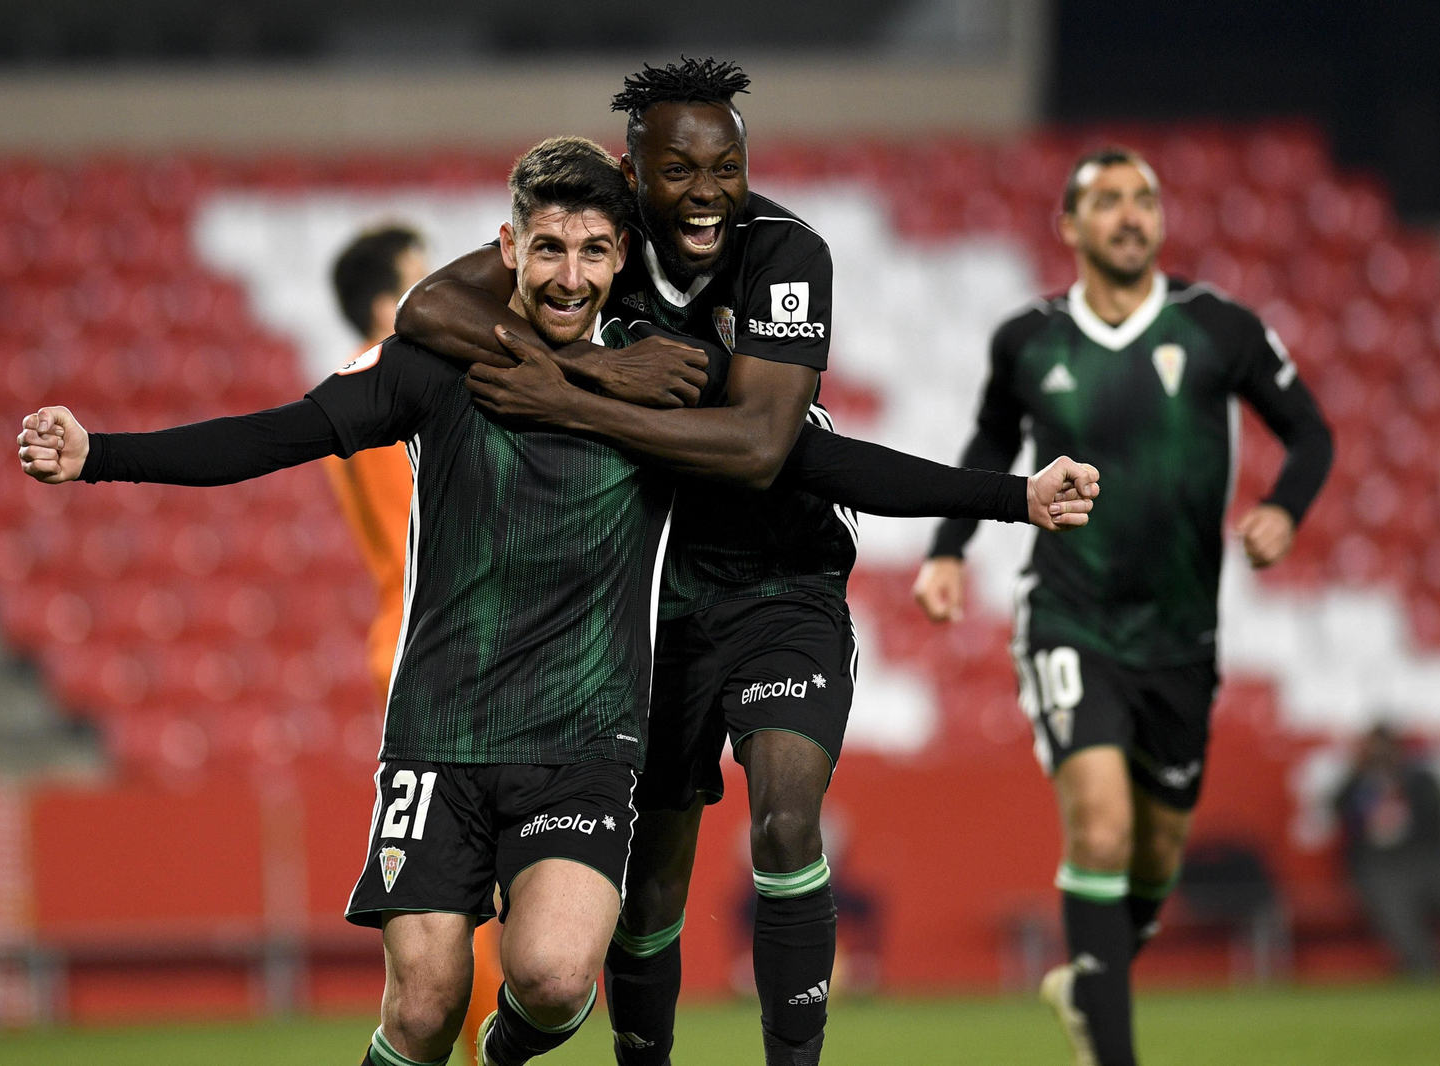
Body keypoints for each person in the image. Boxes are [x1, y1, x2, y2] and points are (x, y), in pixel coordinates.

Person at [20, 135, 1092, 1066]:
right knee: (427, 996)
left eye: (591, 249)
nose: (570, 273)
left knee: (551, 978)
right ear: (509, 249)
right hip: (440, 732)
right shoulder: (436, 368)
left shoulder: (669, 380)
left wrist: (1011, 498)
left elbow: (823, 462)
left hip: (583, 740)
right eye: (548, 248)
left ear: (618, 256)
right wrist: (100, 454)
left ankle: (514, 1050)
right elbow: (275, 434)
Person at [396, 57, 1097, 1066]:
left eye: (726, 166)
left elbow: (772, 449)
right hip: (648, 605)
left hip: (783, 582)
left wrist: (565, 398)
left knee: (781, 818)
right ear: (631, 170)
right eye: (679, 171)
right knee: (650, 885)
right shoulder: (596, 243)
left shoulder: (784, 253)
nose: (708, 191)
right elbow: (426, 311)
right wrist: (597, 363)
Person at [912, 147, 1334, 1066]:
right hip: (1070, 615)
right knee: (1099, 822)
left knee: (1155, 855)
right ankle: (1112, 1051)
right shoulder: (1027, 339)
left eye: (1145, 198)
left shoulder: (1218, 326)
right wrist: (949, 551)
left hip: (1184, 634)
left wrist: (1282, 510)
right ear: (1069, 225)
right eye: (1108, 201)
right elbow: (988, 440)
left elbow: (1310, 433)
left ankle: (1089, 980)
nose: (1131, 215)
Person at [327, 223, 501, 1064]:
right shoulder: (398, 383)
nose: (436, 291)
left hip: (403, 637)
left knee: (453, 886)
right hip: (444, 647)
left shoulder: (362, 386)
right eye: (417, 280)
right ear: (381, 302)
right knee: (473, 888)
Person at [1334, 724, 1440, 976]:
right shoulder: (1358, 783)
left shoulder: (1419, 778)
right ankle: (1424, 971)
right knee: (1401, 925)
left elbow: (1433, 821)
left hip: (1429, 859)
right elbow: (1339, 813)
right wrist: (1363, 779)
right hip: (1384, 867)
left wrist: (1397, 788)